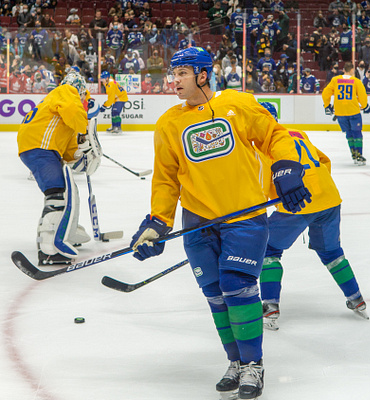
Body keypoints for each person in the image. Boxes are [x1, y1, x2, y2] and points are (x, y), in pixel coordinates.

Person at [128, 46, 312, 400]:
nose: (174, 80)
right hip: (198, 223)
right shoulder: (169, 122)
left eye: (182, 73)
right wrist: (157, 222)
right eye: (173, 73)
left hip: (243, 216)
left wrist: (287, 167)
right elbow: (166, 179)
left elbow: (274, 135)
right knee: (215, 295)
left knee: (237, 286)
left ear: (202, 75)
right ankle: (236, 362)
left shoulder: (237, 104)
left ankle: (253, 365)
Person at [258, 102, 368, 331]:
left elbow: (259, 179)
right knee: (331, 253)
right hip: (329, 197)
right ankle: (356, 298)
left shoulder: (260, 144)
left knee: (267, 250)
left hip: (297, 203)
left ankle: (270, 305)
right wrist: (318, 194)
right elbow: (324, 161)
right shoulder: (297, 134)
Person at [17, 72, 100, 266]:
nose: (83, 99)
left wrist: (82, 155)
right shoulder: (65, 91)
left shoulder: (62, 112)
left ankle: (66, 231)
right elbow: (74, 111)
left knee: (68, 189)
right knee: (57, 195)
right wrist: (86, 133)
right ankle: (49, 249)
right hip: (40, 146)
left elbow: (70, 150)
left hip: (39, 147)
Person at [322, 61, 370, 165]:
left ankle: (353, 154)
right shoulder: (356, 81)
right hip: (353, 111)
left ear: (343, 70)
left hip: (340, 112)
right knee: (357, 133)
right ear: (352, 70)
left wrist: (327, 106)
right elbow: (362, 96)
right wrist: (365, 106)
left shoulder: (335, 80)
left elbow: (326, 93)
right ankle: (359, 154)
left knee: (348, 133)